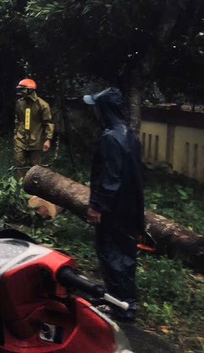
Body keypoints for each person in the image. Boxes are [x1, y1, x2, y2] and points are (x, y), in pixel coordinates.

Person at [84, 87, 144, 322]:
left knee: (111, 254)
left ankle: (122, 307)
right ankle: (122, 300)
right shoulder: (128, 133)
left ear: (105, 109)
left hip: (114, 209)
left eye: (98, 107)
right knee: (125, 255)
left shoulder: (110, 138)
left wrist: (97, 205)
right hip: (129, 207)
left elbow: (110, 178)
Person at [13, 78, 54, 173]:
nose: (20, 92)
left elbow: (48, 123)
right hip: (21, 137)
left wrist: (48, 139)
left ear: (30, 90)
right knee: (19, 161)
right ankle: (20, 184)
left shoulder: (43, 105)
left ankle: (33, 185)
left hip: (36, 138)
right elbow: (18, 119)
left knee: (34, 165)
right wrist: (16, 133)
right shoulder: (20, 103)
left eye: (22, 89)